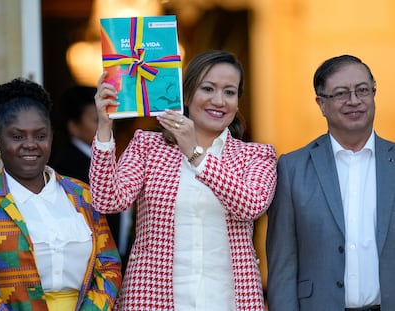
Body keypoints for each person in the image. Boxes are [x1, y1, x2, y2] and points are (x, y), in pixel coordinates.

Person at [89, 50, 277, 310]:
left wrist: (195, 153)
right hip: (152, 299)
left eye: (229, 92)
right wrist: (104, 127)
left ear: (238, 100)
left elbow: (250, 206)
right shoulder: (148, 145)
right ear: (186, 94)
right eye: (208, 88)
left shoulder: (255, 155)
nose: (219, 101)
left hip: (229, 300)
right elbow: (108, 201)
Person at [266, 54, 395, 310]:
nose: (354, 101)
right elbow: (283, 265)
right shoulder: (292, 168)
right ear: (321, 104)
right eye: (340, 94)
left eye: (362, 90)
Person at [0, 78, 121, 310]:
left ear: (51, 137)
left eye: (40, 135)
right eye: (17, 136)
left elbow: (108, 265)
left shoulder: (82, 195)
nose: (30, 144)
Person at [50, 85, 134, 275]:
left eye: (108, 117)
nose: (107, 123)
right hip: (93, 269)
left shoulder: (102, 158)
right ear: (73, 126)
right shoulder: (69, 167)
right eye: (97, 119)